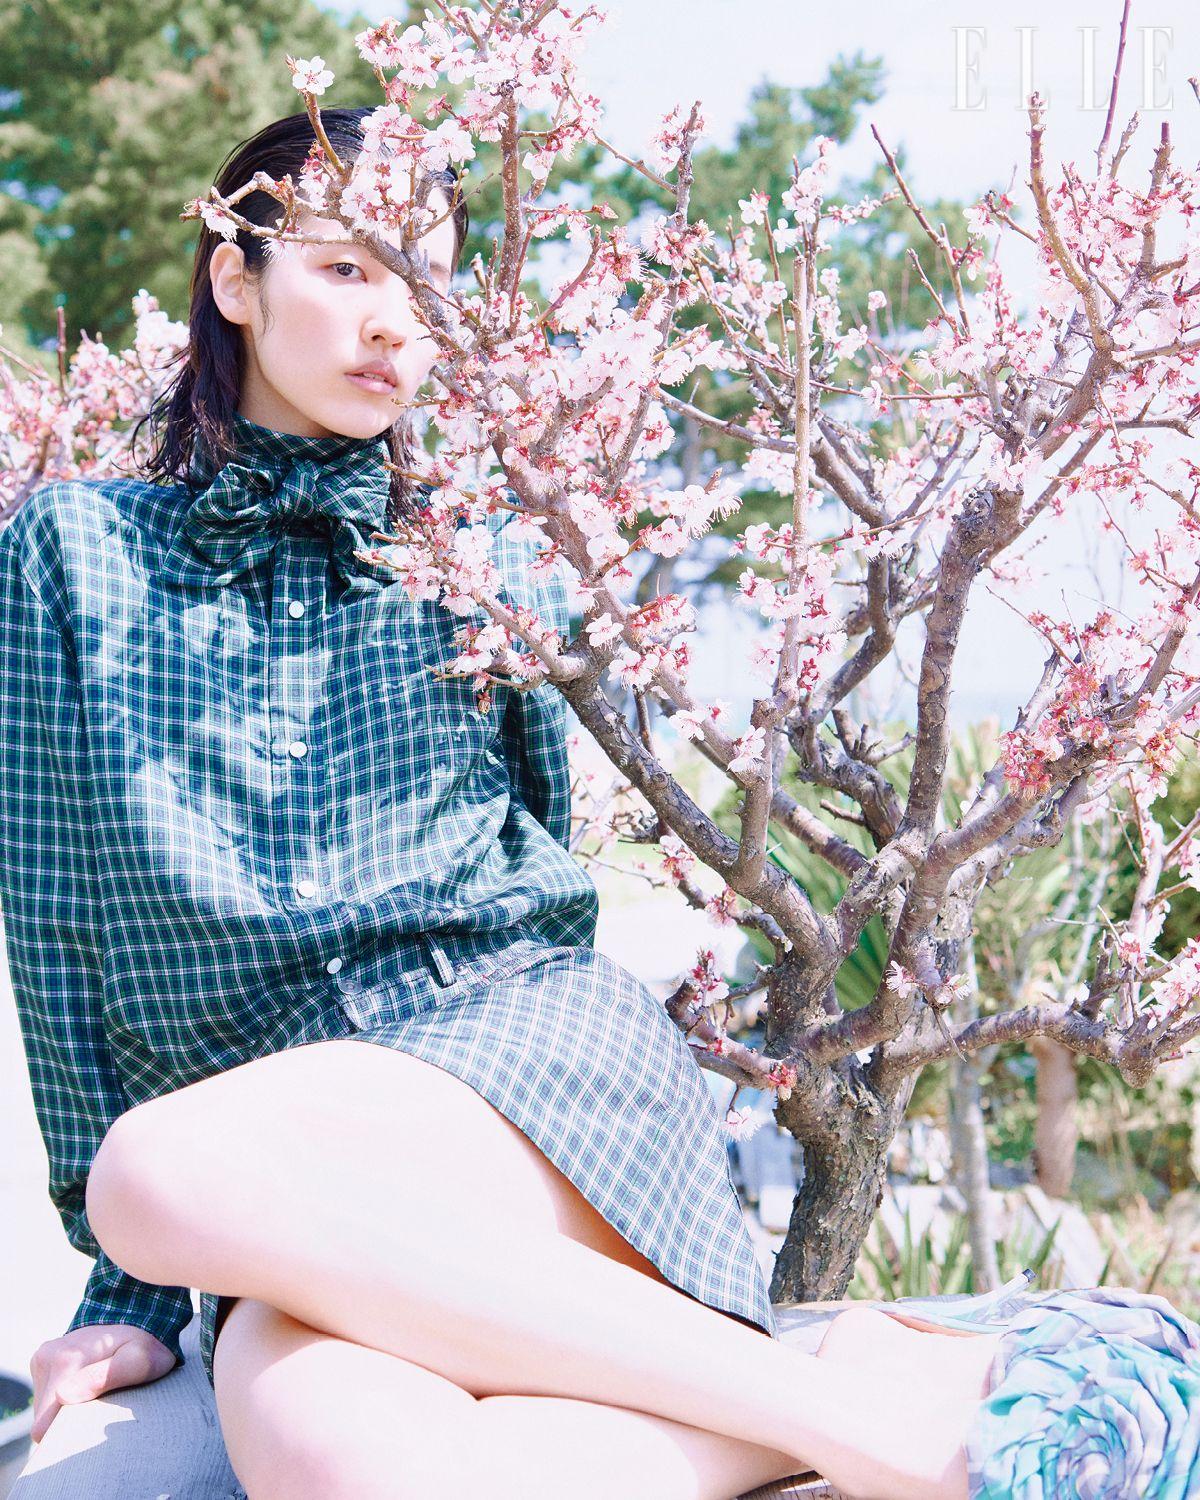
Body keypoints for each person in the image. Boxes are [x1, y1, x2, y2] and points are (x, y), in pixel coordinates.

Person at [1, 105, 1196, 1500]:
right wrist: (133, 1293)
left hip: (521, 1072)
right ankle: (862, 1383)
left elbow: (532, 857)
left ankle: (888, 1447)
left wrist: (148, 1228)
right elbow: (57, 924)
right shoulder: (72, 555)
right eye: (346, 267)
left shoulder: (483, 550)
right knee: (337, 1458)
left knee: (152, 1174)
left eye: (425, 281)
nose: (394, 321)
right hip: (279, 1176)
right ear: (233, 277)